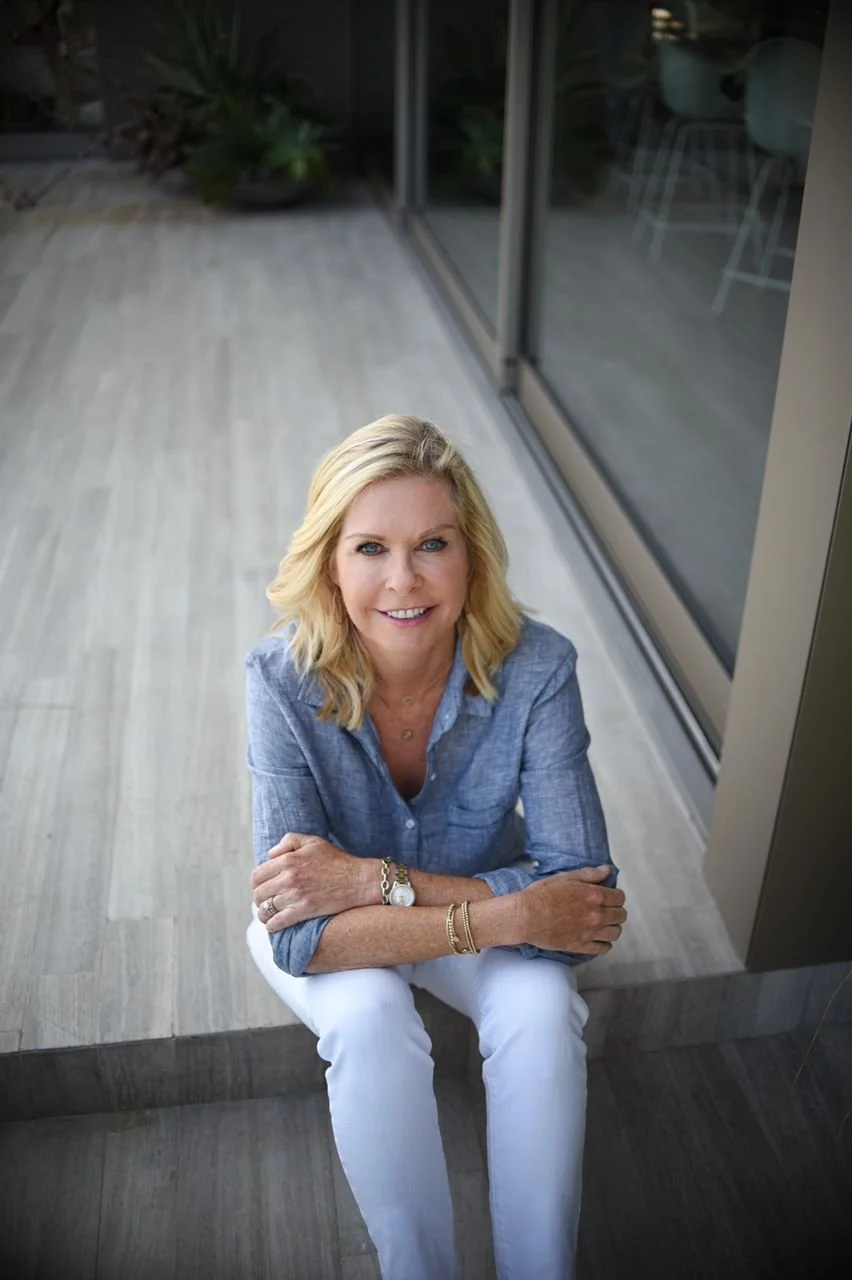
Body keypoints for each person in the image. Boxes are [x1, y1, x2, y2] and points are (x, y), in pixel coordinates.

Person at [245, 414, 627, 1280]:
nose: (403, 580)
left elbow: (585, 904)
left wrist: (373, 881)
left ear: (472, 556)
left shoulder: (539, 668)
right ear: (331, 564)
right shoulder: (278, 679)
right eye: (370, 548)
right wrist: (511, 913)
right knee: (368, 1018)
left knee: (542, 1011)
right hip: (361, 920)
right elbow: (300, 937)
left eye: (432, 544)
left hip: (448, 891)